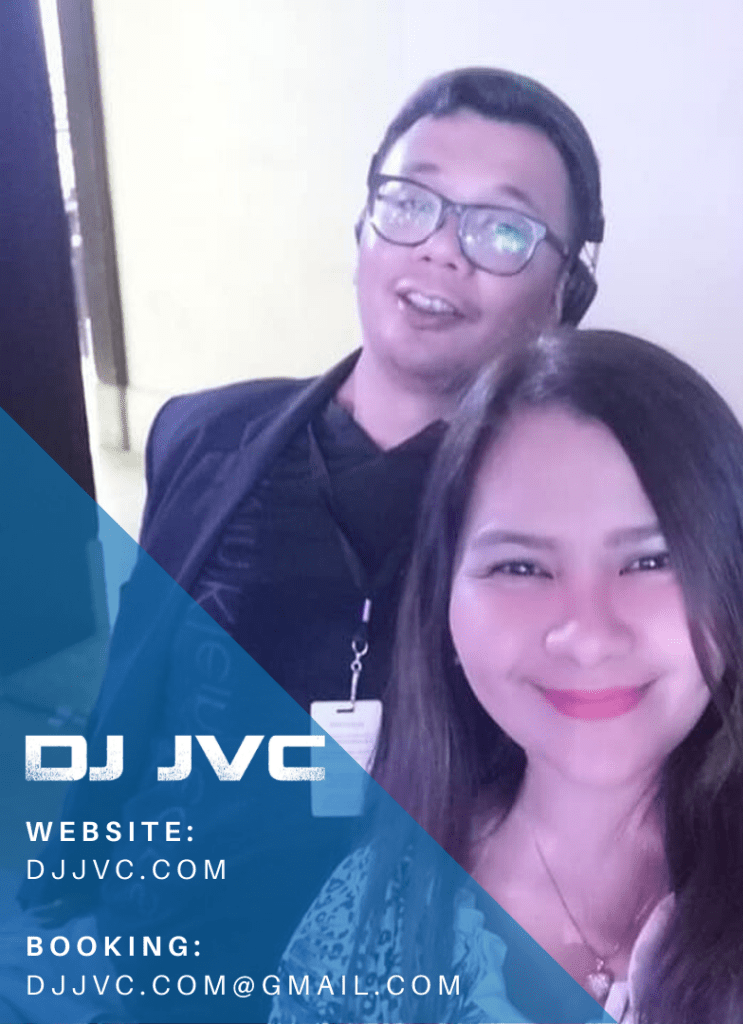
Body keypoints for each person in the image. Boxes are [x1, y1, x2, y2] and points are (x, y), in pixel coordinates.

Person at [17, 68, 604, 1024]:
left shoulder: (571, 520)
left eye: (502, 230)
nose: (440, 249)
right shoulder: (202, 434)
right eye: (411, 201)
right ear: (363, 227)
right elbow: (137, 684)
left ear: (564, 291)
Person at [272, 329, 743, 1023]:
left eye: (652, 560)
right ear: (444, 601)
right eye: (520, 566)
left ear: (741, 583)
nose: (589, 633)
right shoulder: (368, 912)